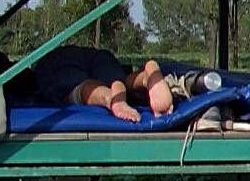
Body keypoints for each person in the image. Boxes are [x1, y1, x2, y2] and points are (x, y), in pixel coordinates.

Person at [24, 46, 177, 123]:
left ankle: (112, 99)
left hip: (55, 63)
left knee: (80, 90)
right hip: (97, 55)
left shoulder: (44, 74)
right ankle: (145, 76)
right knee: (119, 80)